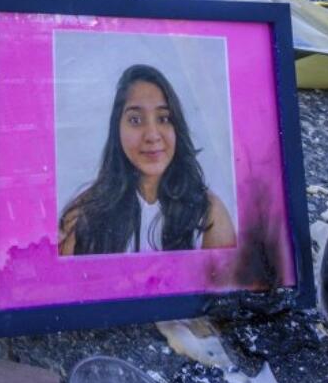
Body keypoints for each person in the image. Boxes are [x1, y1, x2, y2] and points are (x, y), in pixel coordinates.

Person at [59, 64, 235, 255]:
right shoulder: (82, 216)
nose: (152, 135)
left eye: (164, 118)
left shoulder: (210, 214)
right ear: (117, 130)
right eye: (135, 120)